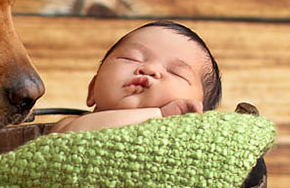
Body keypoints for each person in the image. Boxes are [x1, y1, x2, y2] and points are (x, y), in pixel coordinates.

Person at [49, 21, 222, 134]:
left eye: (175, 72)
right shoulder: (68, 126)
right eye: (131, 58)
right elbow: (74, 136)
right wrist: (159, 114)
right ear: (92, 89)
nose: (149, 69)